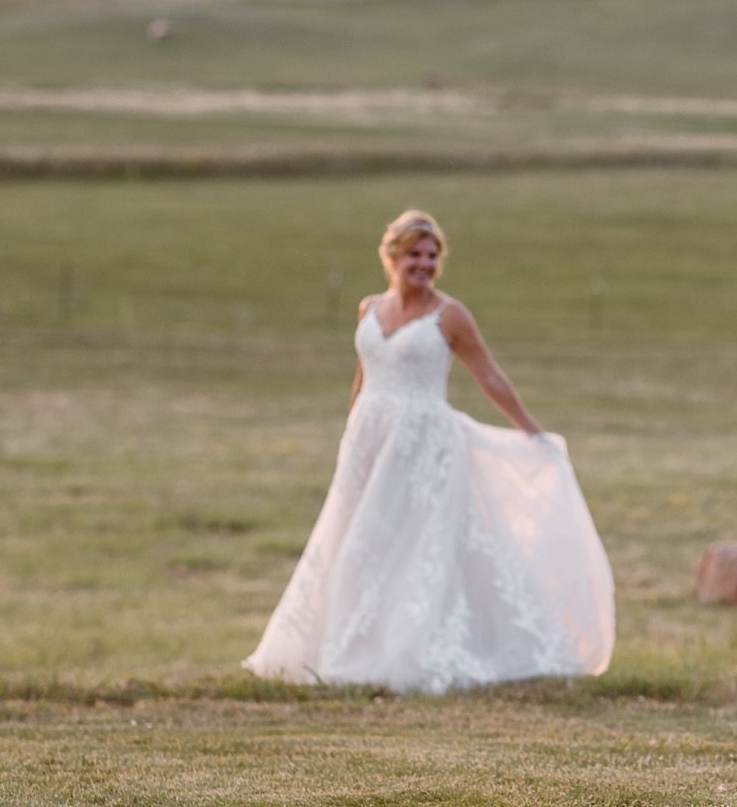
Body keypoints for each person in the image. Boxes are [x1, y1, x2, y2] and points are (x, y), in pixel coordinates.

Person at [243, 210, 614, 693]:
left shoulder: (450, 315)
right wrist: (351, 433)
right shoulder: (368, 308)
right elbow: (364, 375)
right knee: (355, 542)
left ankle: (407, 651)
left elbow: (490, 376)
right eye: (415, 254)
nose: (424, 263)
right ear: (392, 256)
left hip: (425, 446)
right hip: (369, 442)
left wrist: (531, 431)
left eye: (433, 255)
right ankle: (340, 646)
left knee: (416, 547)